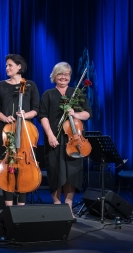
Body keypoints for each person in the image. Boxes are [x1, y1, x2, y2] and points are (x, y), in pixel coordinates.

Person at [39, 62, 92, 221]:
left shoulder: (77, 93)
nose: (63, 77)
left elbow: (87, 114)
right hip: (54, 140)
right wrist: (49, 135)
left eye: (67, 74)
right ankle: (57, 207)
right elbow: (43, 116)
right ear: (54, 76)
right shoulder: (48, 94)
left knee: (72, 174)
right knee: (56, 173)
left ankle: (68, 207)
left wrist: (74, 113)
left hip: (74, 140)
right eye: (60, 74)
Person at [0, 54, 40, 206]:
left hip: (25, 132)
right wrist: (5, 118)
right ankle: (8, 208)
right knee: (6, 169)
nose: (7, 68)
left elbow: (36, 109)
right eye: (6, 65)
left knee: (25, 169)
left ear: (19, 66)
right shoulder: (1, 85)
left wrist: (26, 115)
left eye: (10, 65)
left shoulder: (30, 85)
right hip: (6, 131)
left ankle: (21, 207)